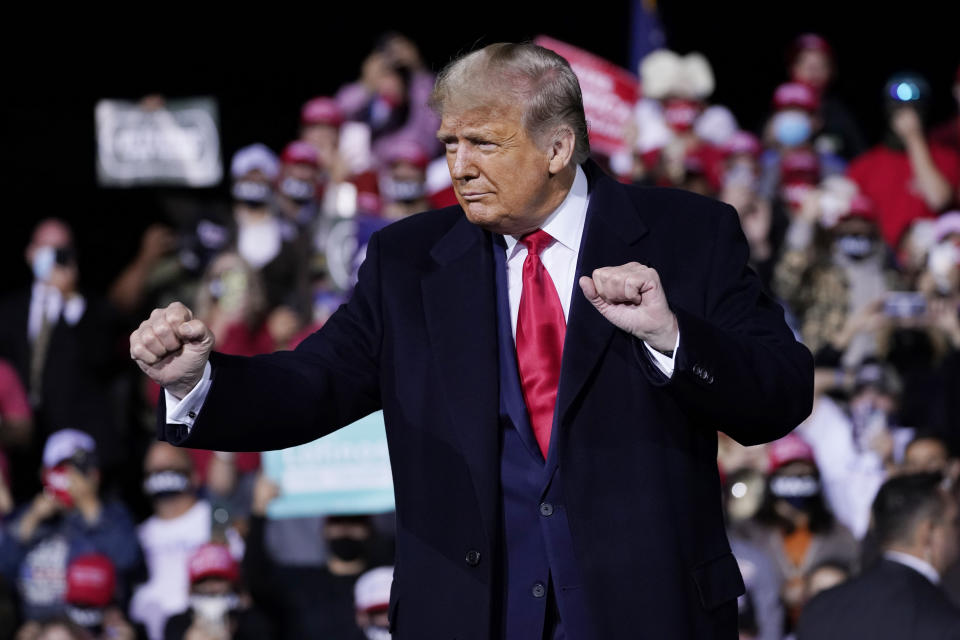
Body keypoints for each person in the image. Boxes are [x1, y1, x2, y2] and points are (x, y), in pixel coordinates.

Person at [131, 43, 814, 639]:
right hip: (467, 615)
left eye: (483, 143)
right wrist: (199, 381)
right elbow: (314, 383)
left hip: (649, 613)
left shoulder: (688, 236)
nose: (459, 167)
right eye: (449, 144)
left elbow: (781, 392)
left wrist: (671, 335)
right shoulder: (409, 261)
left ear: (558, 147)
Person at [797, 472, 960, 639]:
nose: (957, 532)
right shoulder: (945, 620)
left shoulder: (821, 607)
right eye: (954, 522)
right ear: (929, 531)